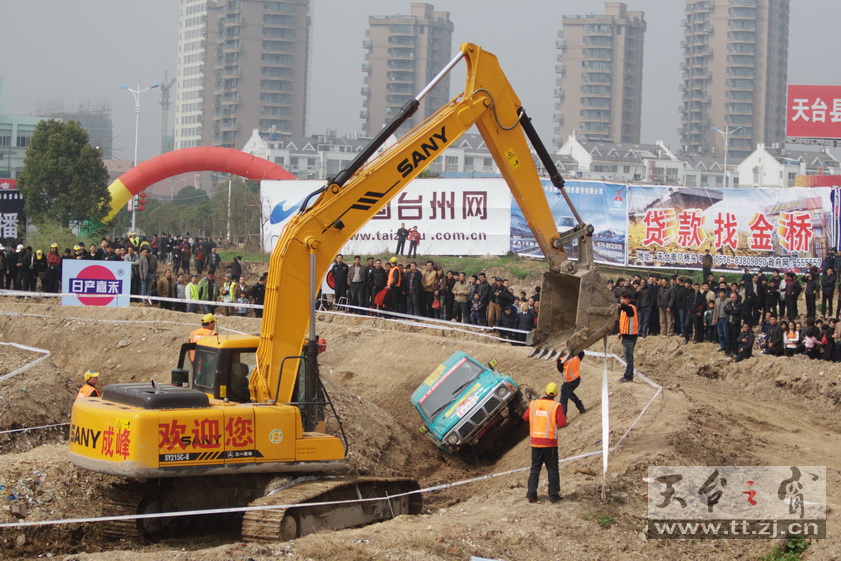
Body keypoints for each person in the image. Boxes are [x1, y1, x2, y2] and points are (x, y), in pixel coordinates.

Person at [522, 382, 567, 504]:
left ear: (546, 392)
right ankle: (553, 496)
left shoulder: (534, 404)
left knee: (535, 469)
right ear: (556, 394)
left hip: (536, 442)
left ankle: (531, 495)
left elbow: (525, 417)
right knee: (552, 469)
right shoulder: (556, 406)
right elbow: (562, 423)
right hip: (549, 443)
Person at [557, 351, 586, 416]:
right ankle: (581, 407)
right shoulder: (576, 353)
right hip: (577, 378)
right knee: (569, 393)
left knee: (563, 401)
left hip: (569, 381)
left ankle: (563, 418)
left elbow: (560, 369)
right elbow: (582, 353)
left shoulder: (561, 359)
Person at [617, 291, 638, 382]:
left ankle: (628, 376)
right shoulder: (623, 310)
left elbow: (627, 309)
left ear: (629, 299)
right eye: (621, 299)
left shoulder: (631, 308)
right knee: (627, 357)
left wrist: (620, 305)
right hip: (626, 335)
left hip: (630, 336)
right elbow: (624, 323)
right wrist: (620, 332)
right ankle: (628, 375)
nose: (622, 300)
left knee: (628, 357)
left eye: (624, 299)